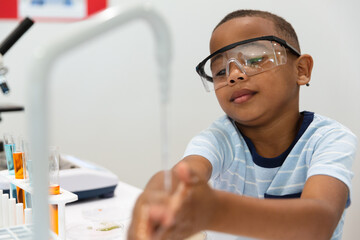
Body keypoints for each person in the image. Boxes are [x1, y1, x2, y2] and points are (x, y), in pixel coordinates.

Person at [127, 9, 358, 240]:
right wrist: (154, 199)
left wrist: (215, 211)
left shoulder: (330, 139)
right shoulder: (219, 139)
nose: (233, 75)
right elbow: (181, 176)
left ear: (301, 70)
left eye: (255, 59)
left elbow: (319, 223)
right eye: (220, 71)